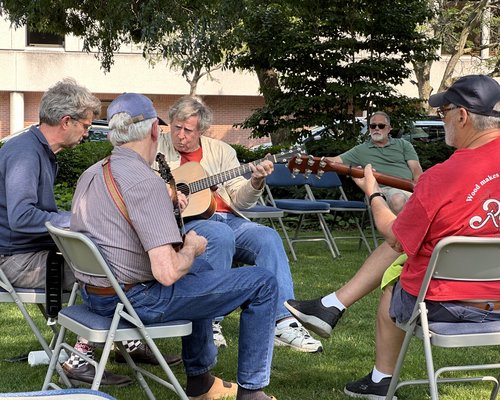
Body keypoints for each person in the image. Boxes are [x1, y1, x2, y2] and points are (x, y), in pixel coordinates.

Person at [287, 74, 500, 399]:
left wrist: (373, 194)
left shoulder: (442, 177)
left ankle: (379, 376)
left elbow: (395, 237)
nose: (441, 120)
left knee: (395, 279)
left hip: (448, 305)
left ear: (463, 115)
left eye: (443, 113)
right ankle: (331, 307)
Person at [71, 92, 279, 400]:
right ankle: (251, 391)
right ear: (156, 130)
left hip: (96, 294)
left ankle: (200, 381)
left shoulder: (94, 172)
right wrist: (191, 247)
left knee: (205, 269)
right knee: (263, 281)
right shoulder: (146, 182)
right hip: (136, 300)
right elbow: (168, 273)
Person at [0, 79, 177, 388]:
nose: (87, 132)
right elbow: (22, 217)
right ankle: (80, 359)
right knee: (105, 268)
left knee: (103, 262)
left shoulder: (38, 150)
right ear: (65, 121)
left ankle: (124, 343)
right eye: (84, 125)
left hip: (28, 252)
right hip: (13, 261)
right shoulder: (25, 153)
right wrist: (84, 219)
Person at [155, 95, 322, 353]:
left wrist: (255, 182)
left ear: (201, 130)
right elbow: (143, 184)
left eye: (188, 130)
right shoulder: (158, 148)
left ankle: (282, 320)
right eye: (176, 127)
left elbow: (240, 201)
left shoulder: (222, 151)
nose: (180, 135)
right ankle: (210, 319)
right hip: (186, 222)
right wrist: (167, 191)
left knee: (267, 237)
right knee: (219, 235)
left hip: (227, 218)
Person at [327, 111, 423, 214]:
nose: (376, 128)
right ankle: (404, 229)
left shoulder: (403, 144)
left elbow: (416, 169)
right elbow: (333, 161)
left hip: (409, 188)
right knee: (397, 199)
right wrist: (311, 159)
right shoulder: (360, 150)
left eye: (381, 126)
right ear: (369, 129)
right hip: (381, 191)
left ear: (389, 128)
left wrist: (421, 190)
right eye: (373, 126)